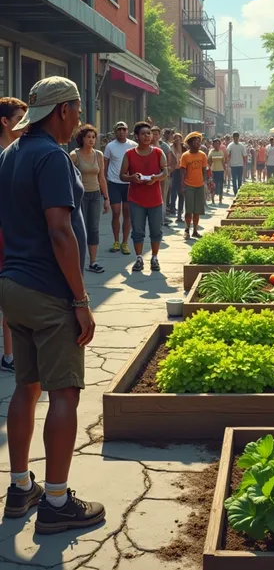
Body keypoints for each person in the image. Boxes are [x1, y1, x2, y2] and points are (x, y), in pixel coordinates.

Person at [0, 76, 104, 532]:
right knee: (64, 392)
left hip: (15, 286)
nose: (80, 118)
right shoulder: (53, 158)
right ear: (62, 110)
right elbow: (60, 231)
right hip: (48, 290)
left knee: (27, 386)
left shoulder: (9, 155)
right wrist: (80, 299)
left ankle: (20, 488)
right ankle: (57, 503)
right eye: (77, 110)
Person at [0, 97, 28, 373]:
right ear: (4, 121)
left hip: (14, 232)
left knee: (11, 296)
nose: (24, 124)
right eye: (19, 119)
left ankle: (9, 354)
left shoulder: (22, 151)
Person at [120, 121, 167, 273]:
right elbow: (122, 175)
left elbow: (165, 172)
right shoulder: (129, 154)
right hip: (136, 199)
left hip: (155, 199)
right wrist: (132, 177)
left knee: (156, 230)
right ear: (137, 137)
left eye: (149, 133)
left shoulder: (158, 153)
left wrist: (156, 177)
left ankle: (154, 257)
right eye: (143, 134)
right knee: (138, 231)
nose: (147, 136)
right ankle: (139, 258)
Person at [70, 125, 110, 274]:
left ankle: (93, 262)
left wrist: (106, 198)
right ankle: (77, 262)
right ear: (82, 138)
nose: (92, 140)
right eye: (88, 137)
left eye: (94, 137)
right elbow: (67, 177)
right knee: (79, 229)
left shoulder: (98, 155)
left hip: (95, 195)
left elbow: (102, 178)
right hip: (80, 196)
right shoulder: (74, 155)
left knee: (94, 229)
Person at [104, 121, 137, 255]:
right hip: (114, 183)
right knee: (116, 213)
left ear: (127, 131)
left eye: (124, 129)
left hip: (129, 183)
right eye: (119, 130)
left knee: (127, 214)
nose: (121, 132)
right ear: (115, 131)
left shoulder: (133, 145)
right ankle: (116, 241)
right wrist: (105, 182)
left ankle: (125, 242)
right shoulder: (110, 146)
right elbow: (105, 165)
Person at [180, 132, 208, 239]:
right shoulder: (185, 156)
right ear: (190, 143)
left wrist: (205, 184)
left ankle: (195, 231)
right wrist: (182, 186)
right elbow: (182, 172)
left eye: (199, 142)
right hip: (189, 186)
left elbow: (204, 170)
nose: (198, 143)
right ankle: (187, 229)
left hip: (200, 186)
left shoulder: (202, 155)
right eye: (196, 142)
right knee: (189, 210)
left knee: (197, 211)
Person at [170, 133, 185, 222]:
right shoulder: (171, 147)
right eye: (175, 138)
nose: (177, 139)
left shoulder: (184, 148)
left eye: (179, 138)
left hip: (182, 171)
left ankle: (179, 214)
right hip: (174, 171)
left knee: (181, 192)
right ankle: (172, 208)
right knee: (173, 191)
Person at [208, 137, 226, 204]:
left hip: (220, 171)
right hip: (213, 171)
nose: (217, 145)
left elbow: (223, 162)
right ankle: (212, 201)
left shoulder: (221, 152)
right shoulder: (211, 152)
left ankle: (220, 200)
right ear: (213, 145)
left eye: (218, 144)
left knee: (221, 185)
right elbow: (208, 162)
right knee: (213, 186)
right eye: (215, 144)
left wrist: (225, 171)